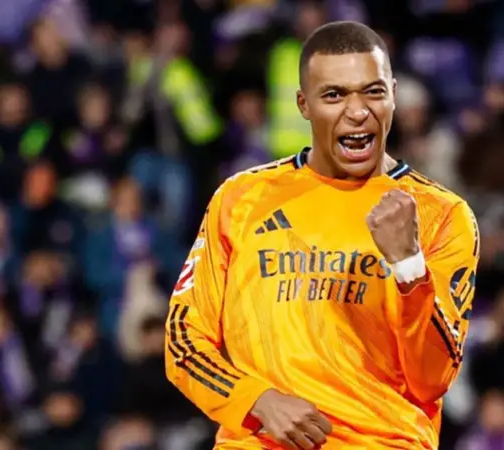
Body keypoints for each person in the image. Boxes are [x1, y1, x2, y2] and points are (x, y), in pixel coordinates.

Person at [164, 21, 479, 449]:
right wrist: (256, 400)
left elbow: (432, 379)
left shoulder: (442, 215)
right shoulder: (241, 199)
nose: (357, 111)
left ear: (393, 95)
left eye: (373, 92)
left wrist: (410, 267)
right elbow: (183, 341)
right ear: (304, 104)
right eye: (334, 95)